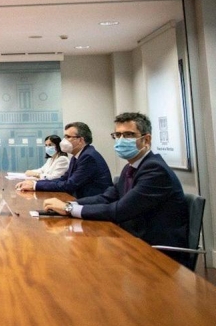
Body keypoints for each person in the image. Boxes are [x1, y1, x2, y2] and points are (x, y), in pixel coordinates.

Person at [43, 112, 188, 265]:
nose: (121, 140)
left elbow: (119, 210)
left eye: (128, 135)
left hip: (156, 253)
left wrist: (67, 208)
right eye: (117, 135)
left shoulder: (155, 170)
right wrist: (71, 205)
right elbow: (106, 198)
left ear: (146, 139)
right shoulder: (130, 167)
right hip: (132, 241)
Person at [15, 121, 112, 199]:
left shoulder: (88, 157)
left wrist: (35, 186)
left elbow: (69, 185)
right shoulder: (77, 156)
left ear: (81, 140)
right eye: (64, 136)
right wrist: (35, 183)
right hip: (83, 201)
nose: (64, 140)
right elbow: (63, 179)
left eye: (68, 137)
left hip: (94, 205)